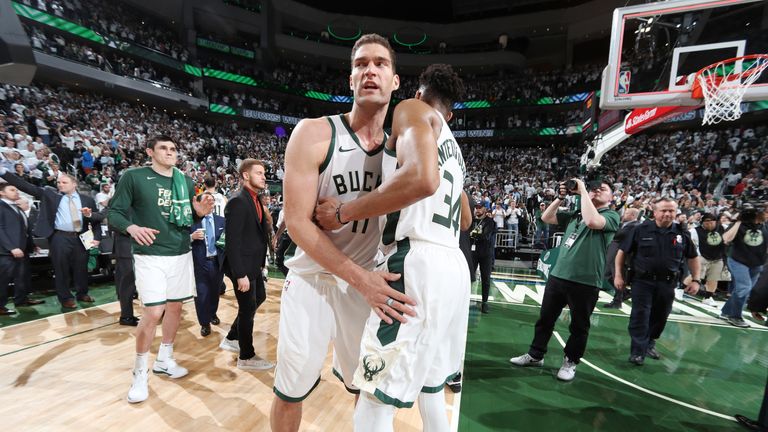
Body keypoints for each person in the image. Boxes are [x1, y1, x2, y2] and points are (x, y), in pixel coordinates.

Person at [270, 34, 415, 432]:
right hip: (313, 278)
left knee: (363, 388)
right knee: (290, 388)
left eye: (380, 64)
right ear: (350, 79)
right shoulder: (314, 133)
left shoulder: (403, 151)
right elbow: (298, 223)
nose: (370, 70)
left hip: (367, 283)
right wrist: (361, 279)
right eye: (361, 64)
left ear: (395, 81)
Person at [315, 63, 471, 431]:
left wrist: (343, 212)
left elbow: (421, 178)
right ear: (451, 112)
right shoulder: (455, 150)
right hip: (453, 267)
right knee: (432, 389)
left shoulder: (413, 110)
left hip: (416, 262)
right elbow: (466, 219)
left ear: (418, 92)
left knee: (374, 393)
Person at [108, 134, 214, 404]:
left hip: (180, 252)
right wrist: (132, 227)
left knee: (176, 308)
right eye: (164, 148)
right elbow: (115, 212)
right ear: (150, 152)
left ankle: (165, 358)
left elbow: (187, 217)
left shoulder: (186, 181)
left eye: (174, 148)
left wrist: (199, 213)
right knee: (154, 311)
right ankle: (139, 372)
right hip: (149, 254)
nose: (170, 152)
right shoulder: (134, 177)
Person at [510, 179, 619, 381]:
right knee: (545, 319)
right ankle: (535, 355)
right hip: (559, 275)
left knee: (579, 326)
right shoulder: (575, 214)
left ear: (611, 198)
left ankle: (571, 361)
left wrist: (584, 191)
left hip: (586, 281)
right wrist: (560, 198)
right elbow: (546, 216)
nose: (596, 190)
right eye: (594, 188)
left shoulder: (611, 215)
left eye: (602, 189)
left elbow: (593, 221)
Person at [0, 169, 103, 308]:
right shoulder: (50, 194)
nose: (60, 184)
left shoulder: (88, 199)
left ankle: (82, 293)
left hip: (81, 238)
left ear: (74, 184)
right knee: (61, 270)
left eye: (64, 182)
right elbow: (26, 186)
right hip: (59, 237)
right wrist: (4, 173)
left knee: (81, 269)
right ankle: (65, 298)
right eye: (58, 182)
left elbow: (95, 220)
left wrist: (97, 238)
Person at [615, 198, 700, 365]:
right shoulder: (640, 230)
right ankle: (638, 350)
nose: (668, 214)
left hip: (668, 283)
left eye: (671, 211)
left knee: (661, 316)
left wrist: (696, 279)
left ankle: (649, 343)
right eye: (663, 210)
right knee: (641, 315)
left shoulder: (682, 233)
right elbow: (622, 252)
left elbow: (693, 257)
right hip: (642, 281)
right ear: (654, 212)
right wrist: (618, 275)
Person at [219, 159, 273, 370]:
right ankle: (246, 356)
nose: (263, 176)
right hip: (242, 266)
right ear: (245, 175)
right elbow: (233, 242)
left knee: (259, 297)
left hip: (254, 265)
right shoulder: (238, 201)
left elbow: (257, 235)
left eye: (264, 172)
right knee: (247, 307)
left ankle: (232, 337)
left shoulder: (256, 199)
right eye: (259, 173)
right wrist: (239, 274)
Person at [719, 204, 768, 328]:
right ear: (757, 213)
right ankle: (735, 316)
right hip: (738, 261)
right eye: (766, 212)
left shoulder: (764, 226)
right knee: (744, 288)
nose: (767, 215)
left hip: (757, 263)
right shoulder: (740, 225)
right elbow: (725, 239)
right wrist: (738, 221)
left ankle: (726, 312)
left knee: (743, 289)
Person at [189, 193, 225, 337]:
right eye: (207, 200)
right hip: (200, 263)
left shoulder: (222, 221)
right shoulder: (191, 221)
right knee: (202, 294)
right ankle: (204, 323)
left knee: (214, 292)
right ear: (198, 203)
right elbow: (180, 240)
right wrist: (191, 237)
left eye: (212, 200)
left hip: (217, 262)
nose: (211, 202)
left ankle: (212, 313)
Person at [0, 184, 33, 315]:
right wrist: (12, 247)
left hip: (20, 250)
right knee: (3, 279)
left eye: (17, 189)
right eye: (12, 190)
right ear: (1, 193)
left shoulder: (14, 207)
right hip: (6, 252)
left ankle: (21, 299)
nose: (16, 192)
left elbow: (23, 229)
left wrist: (29, 245)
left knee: (21, 277)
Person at [685, 213, 726, 307]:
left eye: (712, 221)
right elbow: (692, 244)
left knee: (714, 278)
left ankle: (708, 297)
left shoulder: (723, 228)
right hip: (702, 255)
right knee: (696, 275)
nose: (710, 223)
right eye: (707, 221)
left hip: (718, 257)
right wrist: (696, 256)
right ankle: (680, 289)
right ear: (702, 222)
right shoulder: (695, 230)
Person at [603, 208, 640, 309]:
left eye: (627, 213)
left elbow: (619, 235)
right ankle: (625, 292)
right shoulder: (624, 224)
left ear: (633, 215)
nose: (624, 215)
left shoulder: (635, 226)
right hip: (612, 252)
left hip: (620, 253)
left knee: (617, 276)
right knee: (607, 274)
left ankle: (617, 301)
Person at [470, 203, 495, 313]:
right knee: (469, 277)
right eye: (476, 208)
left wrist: (473, 235)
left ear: (485, 209)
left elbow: (486, 236)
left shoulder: (490, 221)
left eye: (480, 208)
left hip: (486, 254)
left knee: (486, 279)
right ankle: (463, 300)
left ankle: (485, 302)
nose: (478, 209)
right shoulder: (471, 220)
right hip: (473, 253)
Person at [111, 228, 138, 326]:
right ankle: (126, 316)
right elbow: (113, 223)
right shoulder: (116, 213)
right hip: (126, 246)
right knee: (128, 283)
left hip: (145, 245)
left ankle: (159, 310)